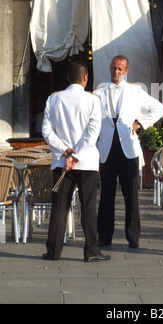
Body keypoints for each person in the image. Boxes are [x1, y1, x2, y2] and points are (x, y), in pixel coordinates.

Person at [94, 55, 163, 249]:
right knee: (106, 194)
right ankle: (104, 236)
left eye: (120, 69)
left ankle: (133, 237)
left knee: (131, 195)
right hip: (106, 148)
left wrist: (140, 123)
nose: (116, 72)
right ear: (109, 68)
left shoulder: (135, 91)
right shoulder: (98, 93)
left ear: (126, 71)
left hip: (128, 148)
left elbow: (159, 108)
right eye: (113, 68)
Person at [42, 61, 111, 262]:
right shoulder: (92, 100)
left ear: (67, 77)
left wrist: (65, 151)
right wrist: (76, 154)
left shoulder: (54, 99)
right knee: (88, 206)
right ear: (86, 78)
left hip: (61, 161)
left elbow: (46, 131)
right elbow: (93, 132)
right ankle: (91, 250)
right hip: (86, 162)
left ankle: (53, 251)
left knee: (59, 207)